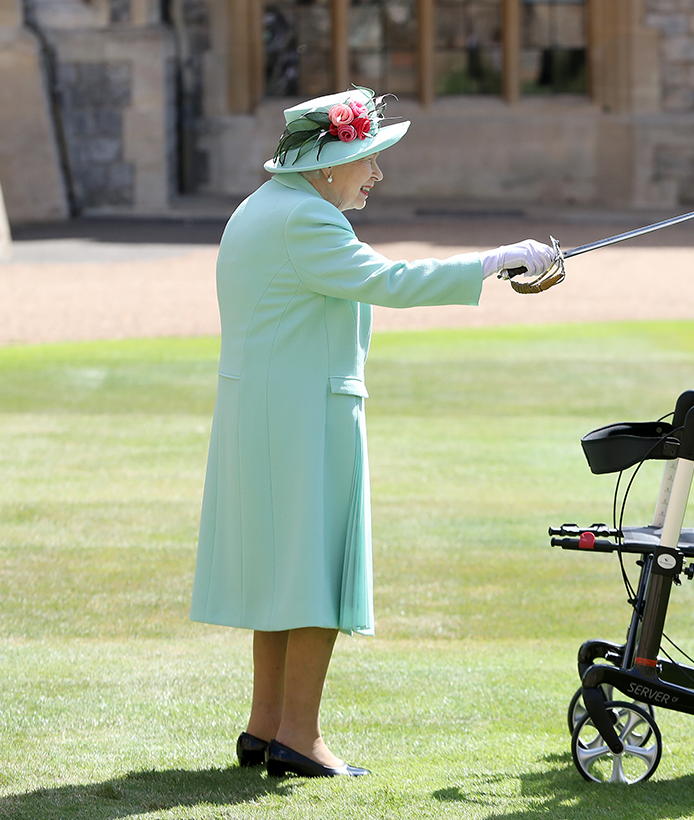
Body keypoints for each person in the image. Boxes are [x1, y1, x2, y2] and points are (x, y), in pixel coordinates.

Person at [189, 88, 562, 778]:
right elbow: (390, 281)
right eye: (367, 159)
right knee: (316, 574)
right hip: (304, 417)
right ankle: (297, 737)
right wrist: (499, 259)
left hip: (267, 415)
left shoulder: (263, 208)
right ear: (329, 164)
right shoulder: (306, 219)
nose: (375, 174)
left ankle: (266, 725)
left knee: (282, 574)